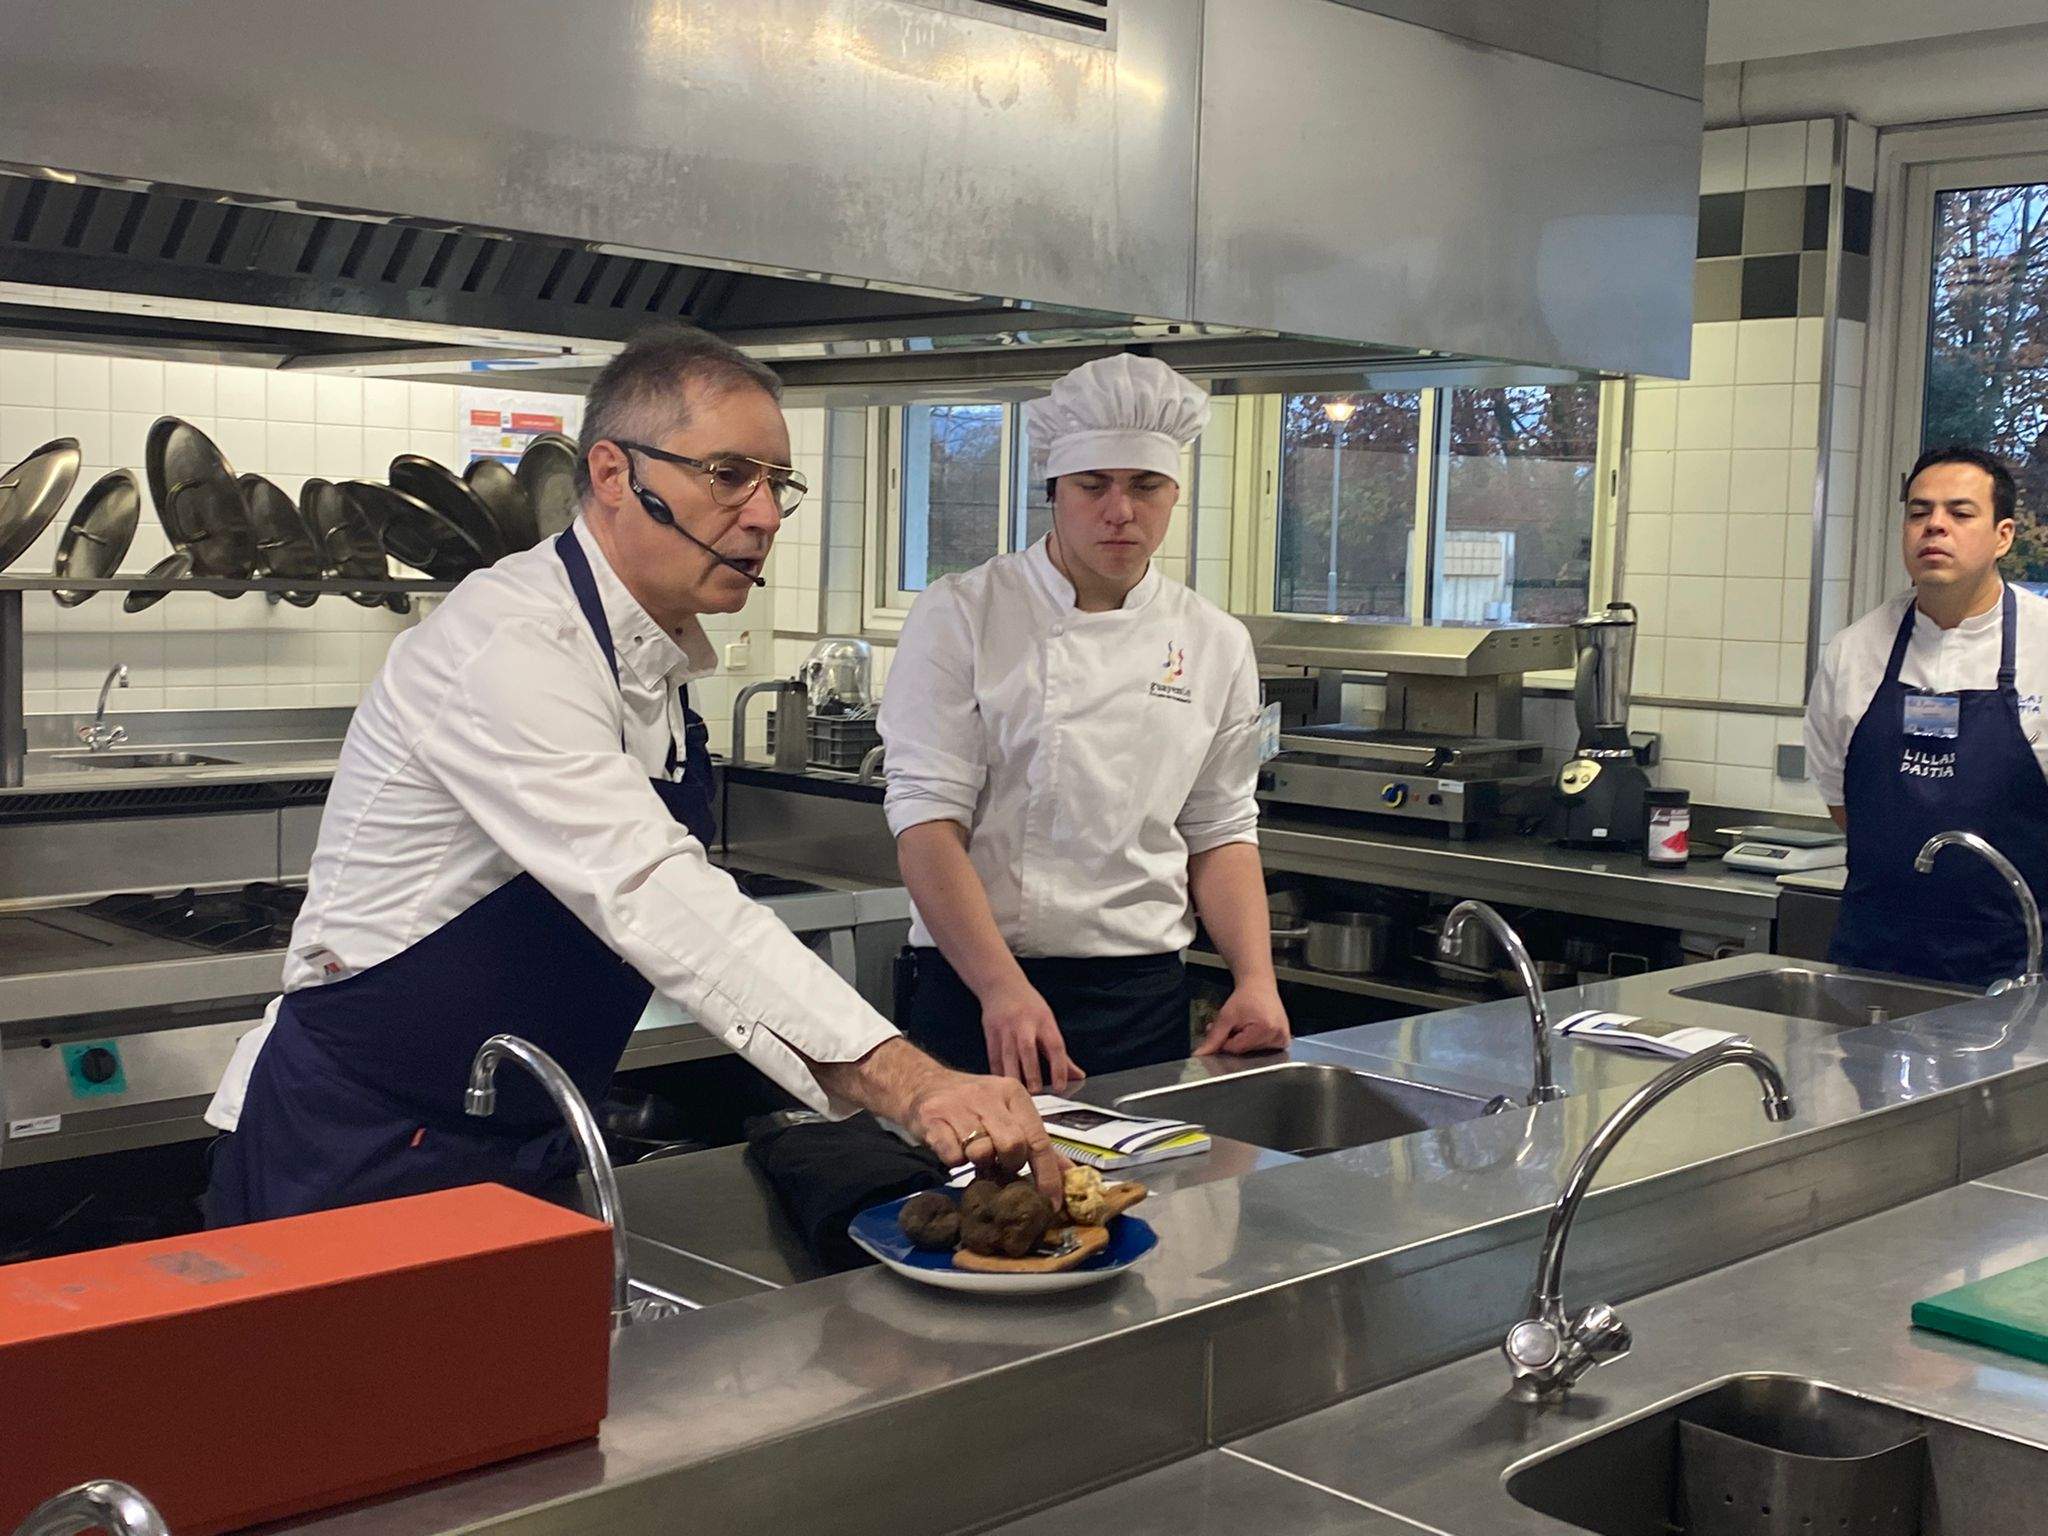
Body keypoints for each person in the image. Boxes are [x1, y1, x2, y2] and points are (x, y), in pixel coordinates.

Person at [202, 327, 1059, 1226]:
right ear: (614, 474)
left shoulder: (653, 662)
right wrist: (905, 1077)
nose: (764, 515)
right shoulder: (510, 641)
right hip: (354, 1151)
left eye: (779, 484)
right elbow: (646, 883)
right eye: (730, 475)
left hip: (522, 1142)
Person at [878, 354, 1289, 1092]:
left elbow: (1222, 828)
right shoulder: (965, 613)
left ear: (1173, 493)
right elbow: (927, 824)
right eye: (1093, 485)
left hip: (1142, 999)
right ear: (1054, 493)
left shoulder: (1215, 640)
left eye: (1144, 485)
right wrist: (1002, 989)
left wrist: (1255, 979)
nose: (1120, 510)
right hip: (978, 986)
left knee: (1139, 1200)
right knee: (967, 1205)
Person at [1804, 445, 2048, 988]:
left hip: (2017, 975)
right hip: (1871, 968)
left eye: (1960, 514)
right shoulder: (1854, 651)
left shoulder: (2045, 646)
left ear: (2003, 536)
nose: (1934, 526)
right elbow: (1842, 804)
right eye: (1919, 512)